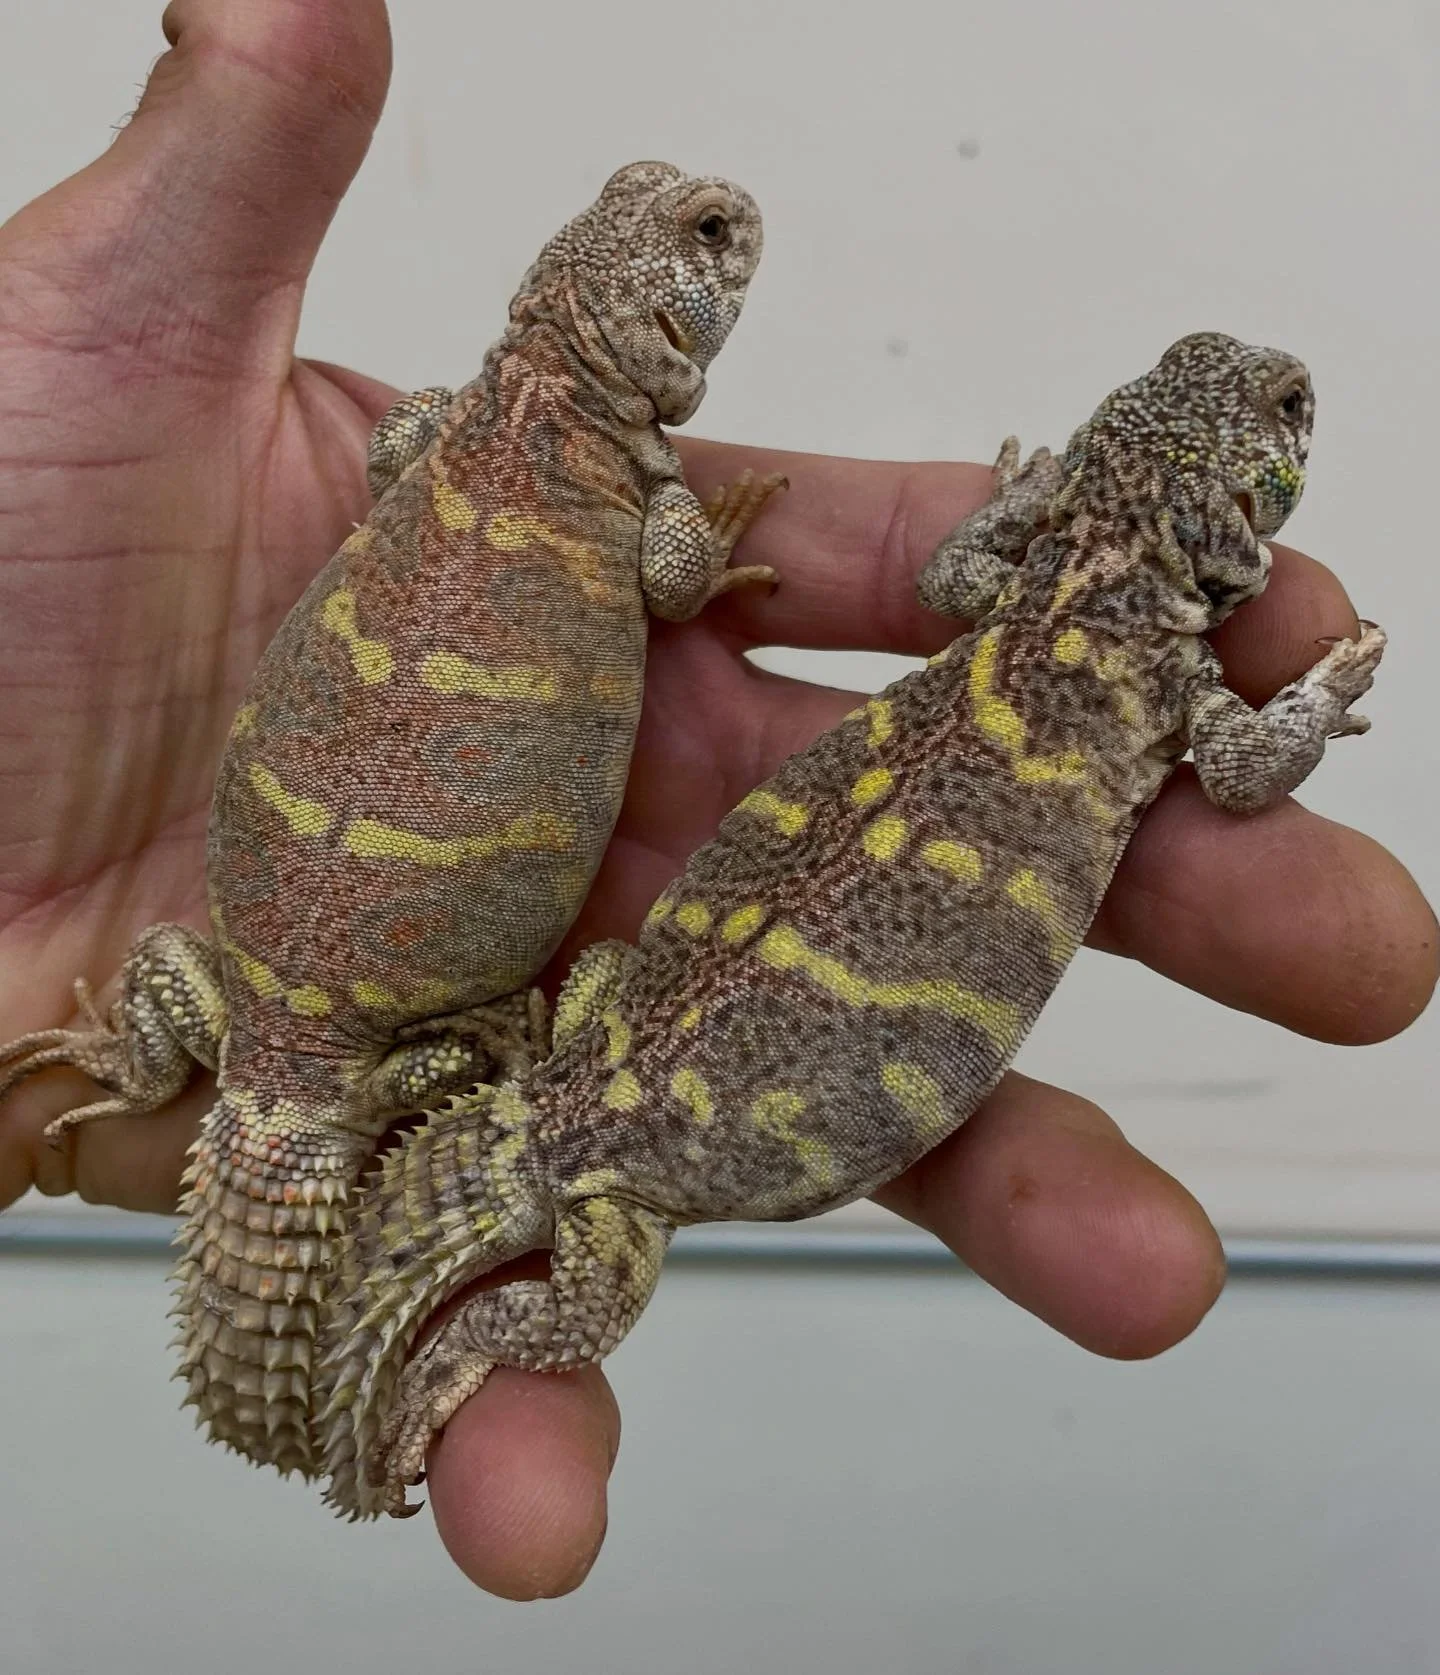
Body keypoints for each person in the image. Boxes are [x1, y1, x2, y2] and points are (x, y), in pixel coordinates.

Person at [0, 0, 1432, 1600]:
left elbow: (432, 455)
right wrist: (1312, 696)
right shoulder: (1140, 670)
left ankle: (366, 1343)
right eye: (698, 232)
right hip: (520, 1054)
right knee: (576, 1239)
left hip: (462, 1027)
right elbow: (1224, 758)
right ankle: (404, 1369)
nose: (726, 235)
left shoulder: (447, 428)